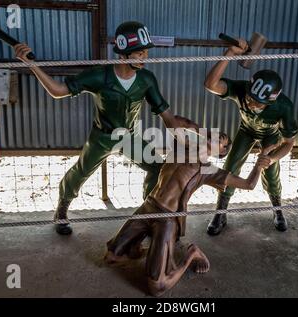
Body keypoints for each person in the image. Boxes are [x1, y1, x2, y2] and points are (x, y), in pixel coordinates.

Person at [14, 21, 185, 235]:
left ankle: (147, 214)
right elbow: (58, 91)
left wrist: (184, 141)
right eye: (139, 54)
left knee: (157, 168)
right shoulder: (99, 75)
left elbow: (166, 115)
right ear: (123, 54)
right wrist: (30, 64)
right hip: (102, 137)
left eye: (145, 53)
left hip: (129, 137)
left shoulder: (146, 79)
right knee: (81, 172)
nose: (144, 58)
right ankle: (62, 209)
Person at [104, 116, 273, 296]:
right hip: (147, 207)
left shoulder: (208, 170)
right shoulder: (183, 145)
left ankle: (192, 254)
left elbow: (249, 184)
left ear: (221, 152)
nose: (216, 137)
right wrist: (198, 129)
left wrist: (259, 165)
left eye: (221, 141)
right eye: (215, 135)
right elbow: (172, 120)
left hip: (166, 219)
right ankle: (142, 249)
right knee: (111, 257)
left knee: (156, 287)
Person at [204, 37, 298, 235]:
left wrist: (271, 157)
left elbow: (289, 142)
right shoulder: (240, 89)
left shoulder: (284, 106)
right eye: (250, 98)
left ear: (271, 102)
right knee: (230, 165)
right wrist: (230, 54)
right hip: (246, 131)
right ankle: (220, 212)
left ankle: (277, 209)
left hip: (270, 136)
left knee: (271, 170)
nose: (252, 104)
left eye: (259, 103)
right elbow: (210, 84)